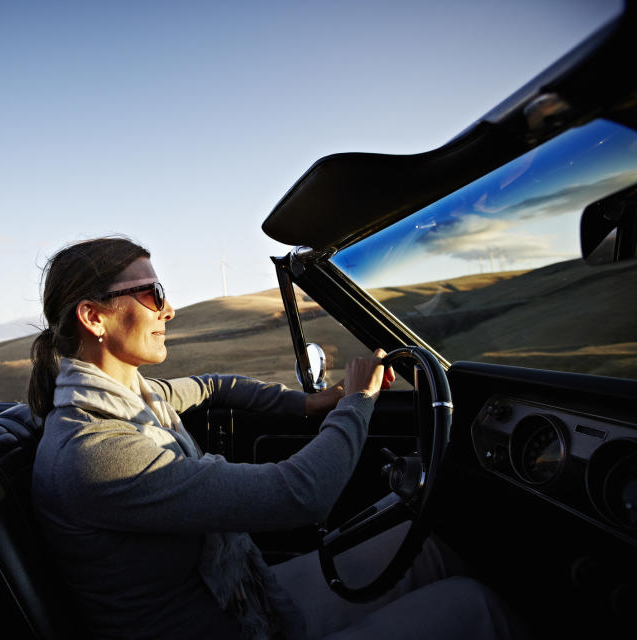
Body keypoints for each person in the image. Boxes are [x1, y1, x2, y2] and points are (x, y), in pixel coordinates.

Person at [29, 236, 522, 639]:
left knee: (427, 547)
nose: (170, 309)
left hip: (239, 598)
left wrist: (307, 403)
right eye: (153, 293)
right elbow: (303, 494)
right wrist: (356, 402)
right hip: (219, 626)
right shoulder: (96, 449)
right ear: (94, 317)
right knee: (473, 606)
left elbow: (213, 386)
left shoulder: (137, 396)